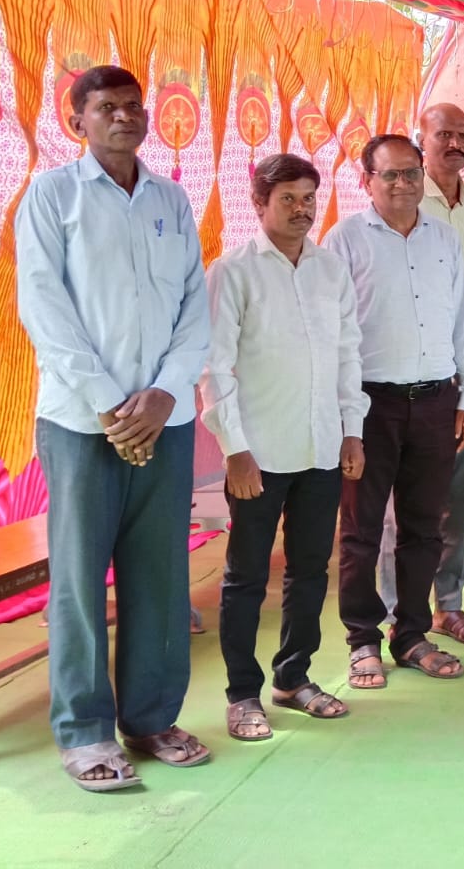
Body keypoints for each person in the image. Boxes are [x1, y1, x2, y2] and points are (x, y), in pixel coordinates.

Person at [15, 64, 212, 790]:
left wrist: (163, 394)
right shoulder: (51, 196)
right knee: (78, 578)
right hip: (80, 422)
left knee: (160, 576)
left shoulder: (171, 199)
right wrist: (107, 403)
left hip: (165, 420)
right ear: (78, 122)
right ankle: (86, 732)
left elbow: (194, 307)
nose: (125, 116)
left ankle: (153, 719)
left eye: (133, 105)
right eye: (107, 107)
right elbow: (44, 307)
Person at [201, 154, 366, 740]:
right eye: (288, 199)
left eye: (308, 198)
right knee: (246, 577)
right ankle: (242, 693)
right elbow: (215, 366)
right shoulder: (233, 271)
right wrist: (234, 448)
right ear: (259, 204)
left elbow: (348, 354)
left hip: (321, 446)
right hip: (259, 453)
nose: (301, 209)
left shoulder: (330, 270)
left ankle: (293, 678)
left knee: (310, 571)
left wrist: (352, 429)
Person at [325, 134, 464, 687]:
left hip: (436, 402)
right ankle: (363, 640)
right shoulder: (344, 240)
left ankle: (412, 635)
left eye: (411, 172)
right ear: (366, 180)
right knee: (361, 532)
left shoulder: (443, 237)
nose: (402, 183)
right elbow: (336, 334)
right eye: (389, 174)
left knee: (424, 529)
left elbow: (462, 321)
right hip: (371, 406)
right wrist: (347, 420)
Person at [373, 102, 464, 650]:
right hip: (408, 379)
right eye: (443, 134)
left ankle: (449, 604)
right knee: (400, 507)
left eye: (463, 135)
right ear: (421, 140)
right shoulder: (400, 200)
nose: (455, 143)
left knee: (458, 498)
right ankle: (397, 611)